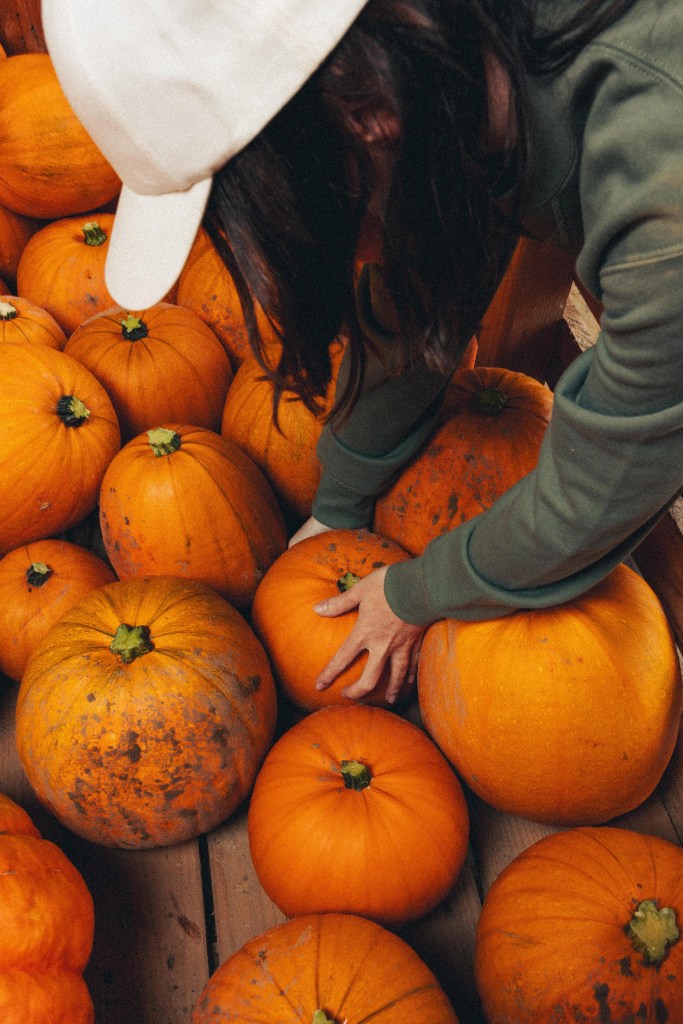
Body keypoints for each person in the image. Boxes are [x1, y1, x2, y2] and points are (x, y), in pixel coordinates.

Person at [43, 0, 682, 705]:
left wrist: (417, 593)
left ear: (367, 110)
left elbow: (608, 478)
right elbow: (419, 285)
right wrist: (338, 505)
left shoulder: (666, 211)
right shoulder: (450, 84)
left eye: (275, 211)